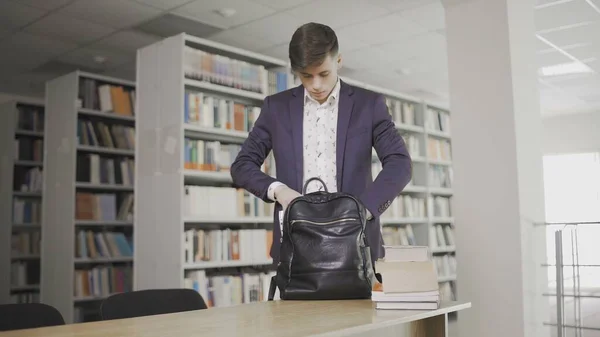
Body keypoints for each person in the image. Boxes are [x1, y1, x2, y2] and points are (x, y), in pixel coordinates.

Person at [230, 22, 412, 265]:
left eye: (323, 74)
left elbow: (400, 163)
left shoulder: (369, 105)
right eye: (306, 76)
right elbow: (242, 166)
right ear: (296, 70)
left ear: (338, 61)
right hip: (295, 246)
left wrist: (364, 210)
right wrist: (280, 192)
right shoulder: (276, 108)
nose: (315, 85)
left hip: (357, 246)